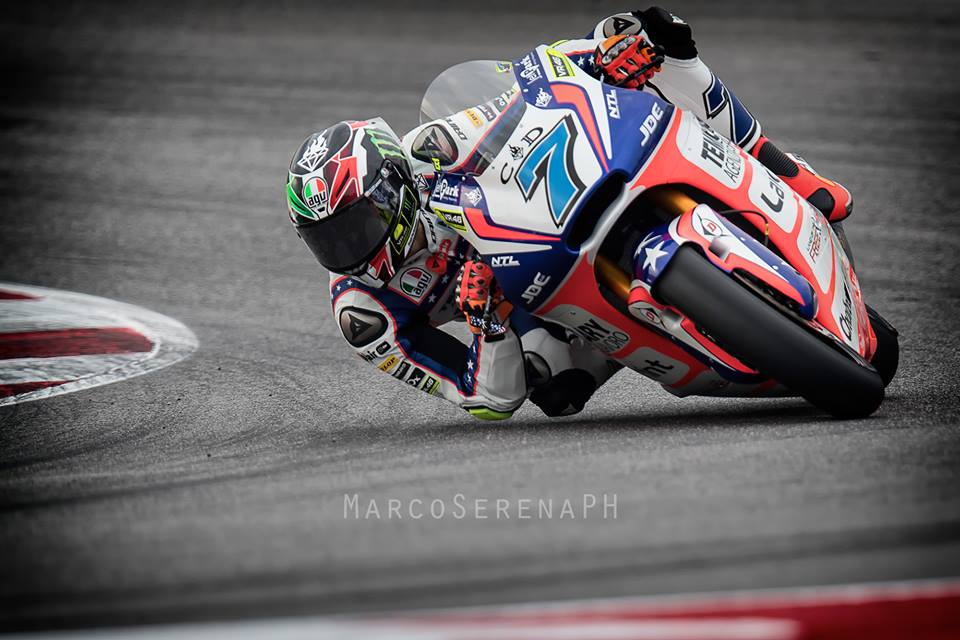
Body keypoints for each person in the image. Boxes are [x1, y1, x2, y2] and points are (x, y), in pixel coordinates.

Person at [284, 7, 853, 421]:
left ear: (391, 190)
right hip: (528, 303)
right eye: (326, 240)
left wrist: (601, 53)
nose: (346, 252)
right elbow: (488, 399)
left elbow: (528, 83)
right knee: (552, 387)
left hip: (548, 215)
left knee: (652, 37)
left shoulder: (429, 149)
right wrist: (485, 324)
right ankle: (665, 339)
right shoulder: (364, 314)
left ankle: (785, 169)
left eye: (353, 226)